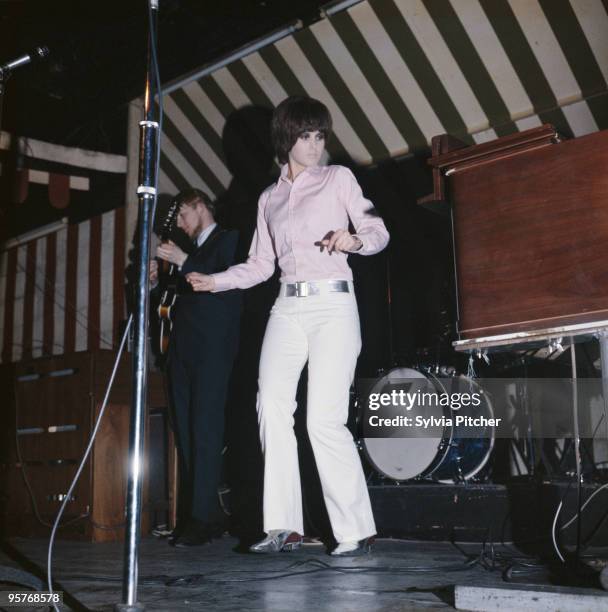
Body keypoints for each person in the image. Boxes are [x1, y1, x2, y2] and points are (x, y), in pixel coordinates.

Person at [186, 96, 389, 556]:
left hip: (334, 307)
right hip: (287, 308)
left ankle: (354, 528)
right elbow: (260, 265)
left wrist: (354, 239)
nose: (315, 145)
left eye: (320, 135)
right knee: (271, 406)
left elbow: (378, 231)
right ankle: (284, 526)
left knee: (323, 420)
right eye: (305, 136)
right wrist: (214, 280)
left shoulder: (340, 179)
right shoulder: (269, 198)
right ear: (285, 140)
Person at [150, 188, 241, 546]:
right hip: (181, 352)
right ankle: (199, 515)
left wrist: (185, 261)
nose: (181, 226)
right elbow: (172, 304)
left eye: (183, 217)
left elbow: (227, 287)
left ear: (199, 205)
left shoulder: (229, 240)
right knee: (185, 435)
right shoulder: (187, 253)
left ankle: (203, 518)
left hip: (213, 351)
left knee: (205, 432)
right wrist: (157, 283)